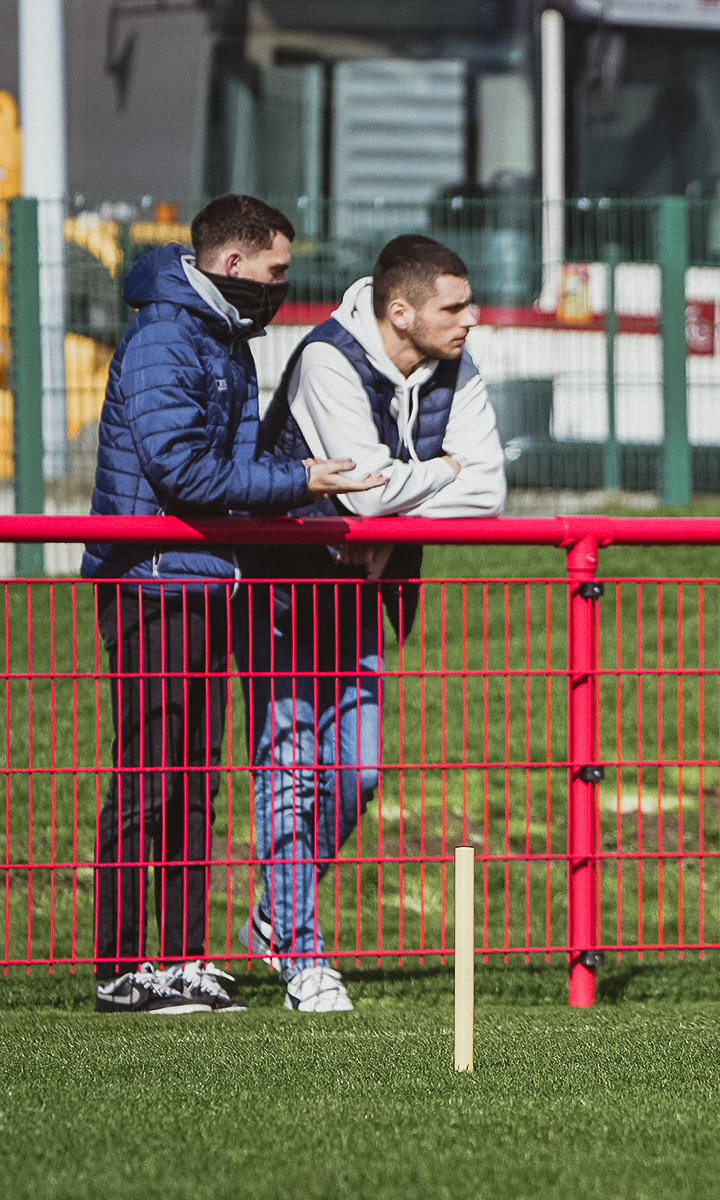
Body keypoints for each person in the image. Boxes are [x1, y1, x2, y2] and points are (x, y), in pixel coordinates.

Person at [84, 194, 383, 1014]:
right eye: (278, 271)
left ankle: (181, 960)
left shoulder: (224, 339)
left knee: (193, 780)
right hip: (148, 579)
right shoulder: (163, 339)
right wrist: (307, 480)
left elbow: (227, 473)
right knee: (147, 776)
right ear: (234, 264)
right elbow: (186, 475)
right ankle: (118, 970)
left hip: (209, 580)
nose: (286, 285)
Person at [240, 234, 505, 1012]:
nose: (471, 319)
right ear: (401, 311)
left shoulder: (457, 364)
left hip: (360, 598)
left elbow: (488, 492)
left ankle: (271, 915)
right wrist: (436, 477)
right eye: (453, 307)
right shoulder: (328, 358)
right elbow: (362, 494)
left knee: (356, 779)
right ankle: (300, 954)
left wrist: (398, 504)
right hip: (281, 595)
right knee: (289, 774)